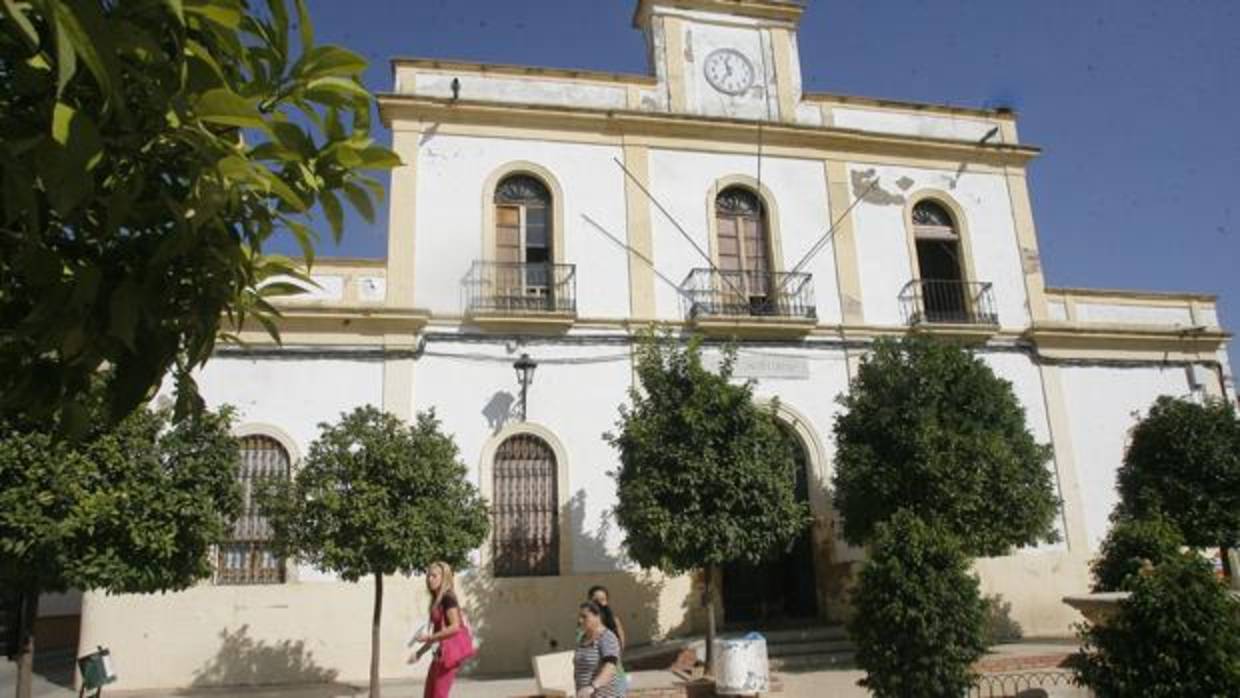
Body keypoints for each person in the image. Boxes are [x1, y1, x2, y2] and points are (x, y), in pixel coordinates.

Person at [414, 561, 464, 698]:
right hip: (438, 656)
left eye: (434, 576)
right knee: (429, 694)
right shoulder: (437, 600)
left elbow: (455, 627)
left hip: (448, 656)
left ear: (444, 578)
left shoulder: (448, 598)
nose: (430, 579)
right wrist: (420, 652)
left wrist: (428, 638)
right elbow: (437, 634)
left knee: (438, 695)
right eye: (428, 576)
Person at [574, 601, 623, 698]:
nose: (580, 620)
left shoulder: (606, 637)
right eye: (579, 616)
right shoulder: (583, 638)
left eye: (584, 617)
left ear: (597, 616)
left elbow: (610, 667)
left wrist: (592, 687)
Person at [587, 585, 627, 649]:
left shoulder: (613, 619)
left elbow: (621, 637)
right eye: (596, 600)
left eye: (602, 599)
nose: (600, 603)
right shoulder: (586, 620)